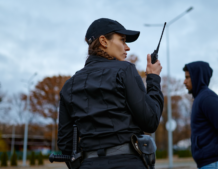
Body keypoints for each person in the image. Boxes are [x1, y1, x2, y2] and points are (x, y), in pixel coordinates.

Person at [57, 18, 164, 169]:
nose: (127, 48)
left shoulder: (69, 86)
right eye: (122, 40)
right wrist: (153, 79)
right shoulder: (125, 71)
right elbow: (150, 120)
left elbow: (65, 144)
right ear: (103, 41)